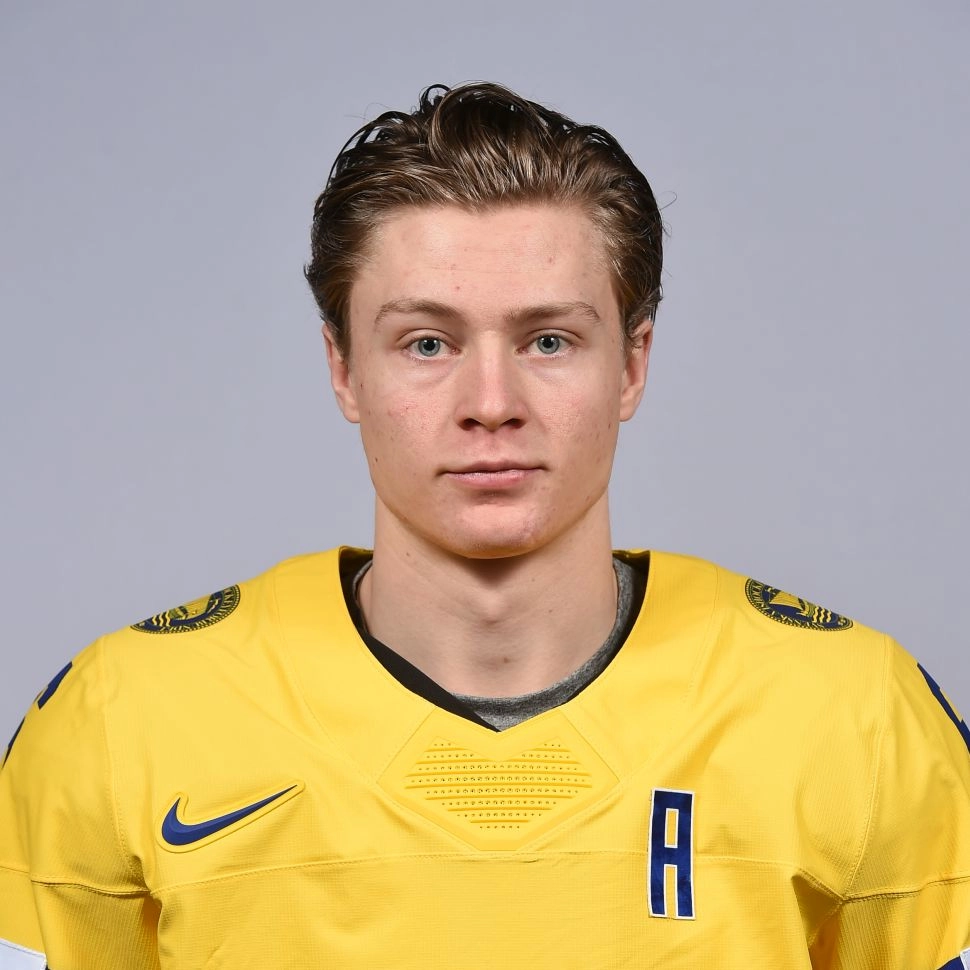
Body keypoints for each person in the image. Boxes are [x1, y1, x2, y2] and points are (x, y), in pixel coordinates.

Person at [1, 82, 968, 970]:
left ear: (631, 366)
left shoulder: (857, 717)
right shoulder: (122, 722)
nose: (491, 404)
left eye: (549, 340)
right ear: (344, 368)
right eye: (427, 343)